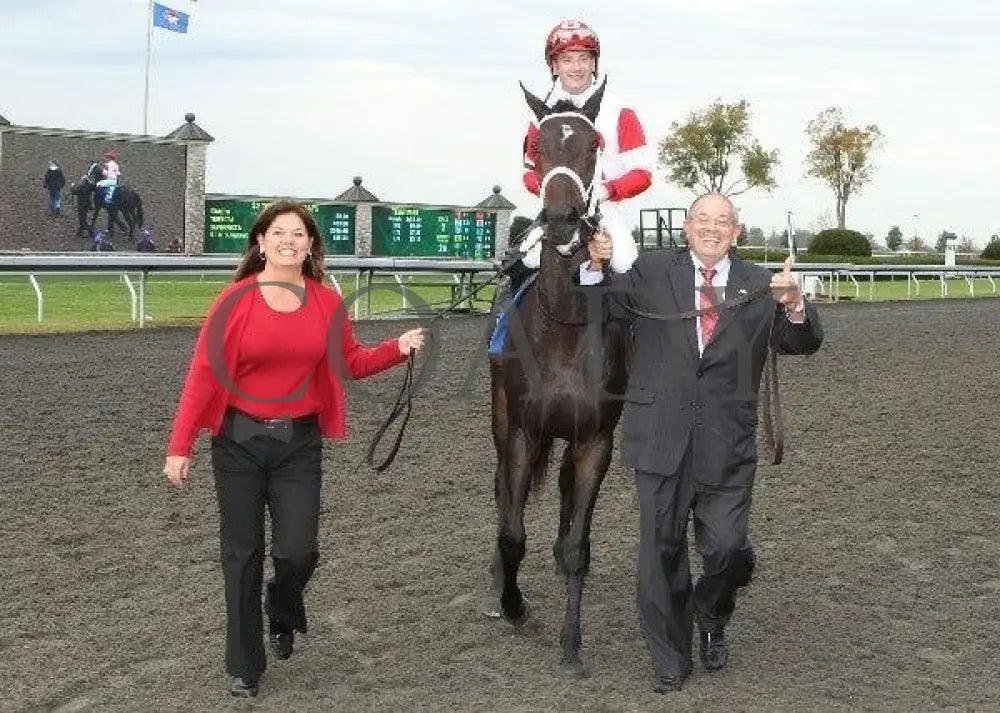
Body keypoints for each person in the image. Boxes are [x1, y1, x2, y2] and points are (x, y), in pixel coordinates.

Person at [162, 199, 424, 698]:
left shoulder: (326, 303)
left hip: (297, 445)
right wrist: (180, 446)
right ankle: (245, 665)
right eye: (279, 233)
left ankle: (281, 608)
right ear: (261, 243)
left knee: (298, 552)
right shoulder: (234, 301)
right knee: (242, 553)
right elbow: (201, 376)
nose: (289, 241)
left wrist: (397, 348)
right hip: (237, 443)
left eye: (298, 234)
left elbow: (350, 362)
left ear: (310, 246)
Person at [581, 192, 824, 693]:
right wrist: (595, 267)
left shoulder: (760, 283)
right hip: (659, 438)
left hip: (727, 444)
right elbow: (601, 308)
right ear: (687, 227)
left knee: (728, 550)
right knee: (660, 554)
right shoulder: (650, 271)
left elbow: (801, 342)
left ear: (737, 232)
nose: (712, 229)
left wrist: (795, 304)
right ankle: (671, 658)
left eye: (723, 222)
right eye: (703, 220)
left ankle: (711, 614)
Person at [489, 18, 651, 352]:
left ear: (594, 63)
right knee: (524, 262)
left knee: (626, 263)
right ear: (554, 65)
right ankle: (501, 343)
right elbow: (529, 173)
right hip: (555, 214)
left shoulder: (621, 111)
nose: (576, 67)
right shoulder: (539, 116)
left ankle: (641, 353)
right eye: (567, 59)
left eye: (583, 58)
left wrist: (606, 190)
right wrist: (555, 192)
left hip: (606, 214)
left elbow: (643, 173)